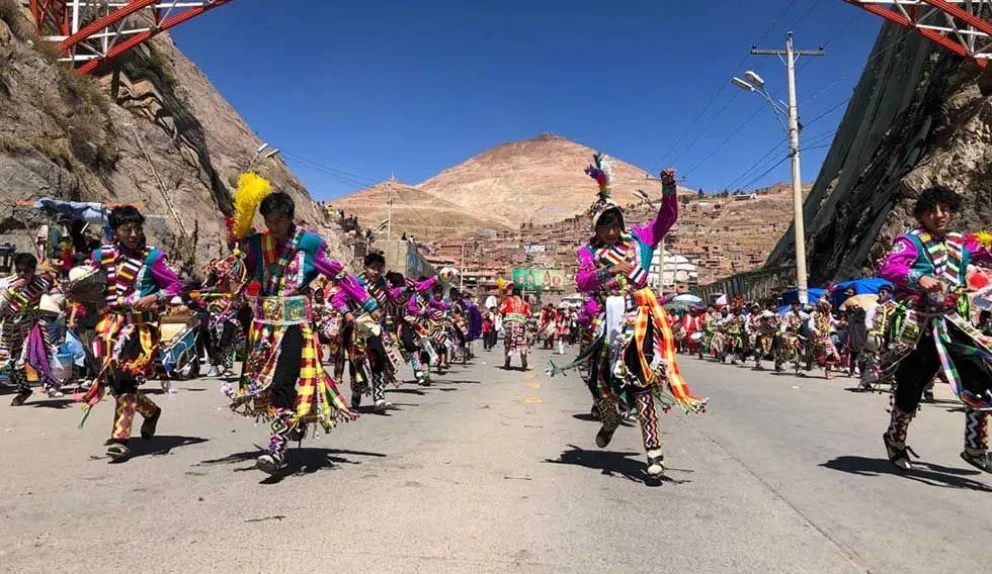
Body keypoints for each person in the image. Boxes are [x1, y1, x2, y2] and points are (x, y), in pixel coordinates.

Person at [225, 186, 379, 475]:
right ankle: (294, 418)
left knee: (283, 381)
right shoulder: (259, 243)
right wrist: (236, 254)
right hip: (264, 328)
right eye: (269, 220)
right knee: (264, 388)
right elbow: (244, 273)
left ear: (291, 217)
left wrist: (368, 303)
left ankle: (276, 448)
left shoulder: (309, 244)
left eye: (280, 220)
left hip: (296, 325)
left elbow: (339, 274)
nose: (274, 226)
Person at [573, 157, 706, 479]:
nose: (611, 229)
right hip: (607, 322)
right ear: (596, 228)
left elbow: (667, 217)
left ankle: (654, 452)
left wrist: (669, 188)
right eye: (604, 224)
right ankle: (610, 417)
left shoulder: (642, 239)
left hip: (641, 320)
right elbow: (582, 282)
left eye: (614, 221)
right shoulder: (589, 253)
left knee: (644, 383)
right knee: (598, 378)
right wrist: (609, 270)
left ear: (621, 220)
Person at [878, 185, 992, 473]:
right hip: (920, 325)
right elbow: (890, 269)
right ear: (922, 215)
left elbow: (985, 253)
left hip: (953, 323)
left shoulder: (961, 243)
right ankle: (895, 439)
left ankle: (975, 448)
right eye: (932, 210)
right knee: (911, 386)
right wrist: (919, 277)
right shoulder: (911, 242)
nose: (939, 215)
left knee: (980, 380)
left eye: (944, 209)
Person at [78, 206, 182, 461]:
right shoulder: (100, 256)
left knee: (125, 378)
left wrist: (153, 297)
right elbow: (88, 284)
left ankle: (120, 438)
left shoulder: (152, 258)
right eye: (127, 229)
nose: (134, 234)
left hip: (139, 330)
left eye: (137, 229)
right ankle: (150, 411)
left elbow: (175, 285)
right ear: (115, 231)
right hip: (108, 328)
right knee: (115, 383)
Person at [1, 254, 60, 405]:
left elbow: (53, 289)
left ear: (33, 270)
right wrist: (11, 291)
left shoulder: (40, 284)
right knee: (13, 360)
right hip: (9, 327)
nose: (22, 274)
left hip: (31, 327)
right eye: (19, 270)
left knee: (39, 355)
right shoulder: (5, 283)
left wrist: (56, 292)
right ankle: (24, 389)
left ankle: (50, 384)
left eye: (26, 271)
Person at [501, 285, 531, 370]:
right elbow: (529, 314)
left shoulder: (508, 301)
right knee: (522, 343)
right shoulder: (525, 303)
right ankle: (524, 363)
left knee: (508, 343)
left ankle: (507, 363)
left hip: (510, 325)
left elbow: (501, 310)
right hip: (521, 325)